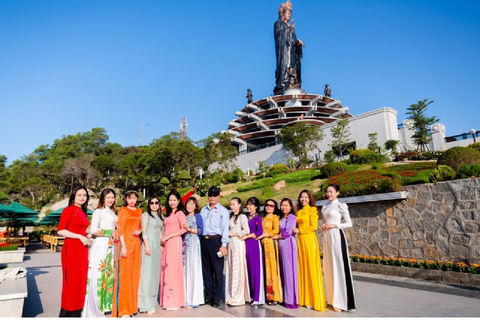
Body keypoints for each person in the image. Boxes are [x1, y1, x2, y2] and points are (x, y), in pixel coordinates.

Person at [83, 188, 118, 317]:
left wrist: (115, 234)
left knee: (106, 275)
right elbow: (93, 230)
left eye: (112, 197)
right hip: (100, 244)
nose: (110, 199)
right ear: (102, 198)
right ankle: (93, 307)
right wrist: (111, 232)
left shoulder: (111, 211)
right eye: (108, 197)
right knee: (97, 274)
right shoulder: (98, 211)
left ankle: (102, 306)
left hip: (109, 246)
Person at [321, 184, 356, 312]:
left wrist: (334, 225)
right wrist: (324, 225)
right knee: (328, 266)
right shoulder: (325, 206)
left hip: (336, 236)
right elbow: (326, 220)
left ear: (337, 193)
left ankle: (341, 301)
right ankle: (331, 298)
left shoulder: (341, 205)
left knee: (338, 266)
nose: (328, 194)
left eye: (331, 192)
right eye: (327, 192)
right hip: (327, 237)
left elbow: (349, 223)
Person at [58, 186, 90, 317]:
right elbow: (60, 230)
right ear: (73, 197)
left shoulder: (81, 211)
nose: (82, 197)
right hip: (72, 249)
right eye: (79, 195)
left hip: (81, 249)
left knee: (80, 281)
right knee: (72, 282)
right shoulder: (69, 210)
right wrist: (79, 236)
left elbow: (81, 230)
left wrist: (89, 236)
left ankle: (76, 312)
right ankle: (68, 313)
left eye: (84, 195)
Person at [112, 189, 142, 318]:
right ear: (126, 198)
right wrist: (123, 246)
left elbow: (142, 226)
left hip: (136, 246)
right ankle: (123, 309)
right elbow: (121, 229)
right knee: (124, 276)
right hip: (125, 245)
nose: (132, 200)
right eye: (130, 198)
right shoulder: (123, 211)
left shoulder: (140, 211)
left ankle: (133, 307)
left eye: (134, 198)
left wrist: (140, 231)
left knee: (134, 276)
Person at [200, 186, 230, 308]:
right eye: (210, 195)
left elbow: (225, 229)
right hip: (204, 241)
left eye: (215, 195)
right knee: (206, 270)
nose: (212, 197)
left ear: (219, 196)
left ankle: (217, 297)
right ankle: (208, 295)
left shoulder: (223, 211)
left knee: (217, 271)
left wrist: (224, 245)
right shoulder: (203, 210)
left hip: (216, 241)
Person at [296, 189, 326, 311]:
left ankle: (314, 299)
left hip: (308, 239)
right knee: (302, 268)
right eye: (301, 197)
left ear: (310, 199)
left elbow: (313, 226)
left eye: (306, 197)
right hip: (300, 241)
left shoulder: (312, 210)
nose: (303, 199)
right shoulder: (298, 211)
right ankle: (305, 299)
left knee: (311, 268)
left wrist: (300, 230)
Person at [160, 190, 187, 311]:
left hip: (175, 242)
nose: (172, 202)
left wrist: (170, 236)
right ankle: (166, 299)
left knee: (172, 269)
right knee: (165, 268)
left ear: (179, 201)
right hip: (166, 243)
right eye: (170, 200)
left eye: (174, 200)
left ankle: (174, 300)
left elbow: (184, 229)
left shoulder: (180, 213)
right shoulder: (169, 214)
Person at [138, 196, 164, 314]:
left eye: (156, 202)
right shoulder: (146, 215)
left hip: (156, 246)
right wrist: (147, 245)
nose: (154, 205)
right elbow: (144, 231)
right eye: (152, 202)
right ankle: (144, 304)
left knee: (154, 274)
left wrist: (160, 245)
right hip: (148, 245)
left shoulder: (160, 216)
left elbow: (161, 232)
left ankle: (152, 301)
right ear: (149, 204)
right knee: (147, 273)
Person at [273, 0, 304, 95]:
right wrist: (289, 30)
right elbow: (279, 35)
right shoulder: (278, 24)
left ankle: (293, 82)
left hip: (291, 54)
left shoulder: (291, 28)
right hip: (284, 52)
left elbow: (293, 42)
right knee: (284, 67)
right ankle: (283, 84)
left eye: (290, 13)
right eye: (287, 12)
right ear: (283, 13)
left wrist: (298, 44)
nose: (289, 15)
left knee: (293, 67)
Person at [272, 198, 299, 309]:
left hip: (288, 244)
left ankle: (291, 300)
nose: (284, 207)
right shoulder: (281, 218)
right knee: (283, 271)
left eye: (286, 205)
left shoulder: (291, 217)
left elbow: (287, 232)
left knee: (290, 272)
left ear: (291, 206)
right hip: (282, 245)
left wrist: (276, 236)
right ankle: (285, 297)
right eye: (282, 205)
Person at [225, 197, 250, 306]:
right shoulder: (230, 217)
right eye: (230, 204)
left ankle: (238, 296)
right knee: (231, 269)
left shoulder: (242, 217)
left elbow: (246, 230)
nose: (232, 206)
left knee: (237, 269)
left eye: (234, 204)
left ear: (239, 205)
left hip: (238, 243)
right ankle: (231, 294)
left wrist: (234, 234)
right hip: (231, 244)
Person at [257, 199, 283, 305]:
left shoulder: (274, 217)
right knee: (265, 269)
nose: (268, 207)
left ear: (274, 208)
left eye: (271, 205)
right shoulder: (262, 218)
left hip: (270, 244)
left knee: (272, 269)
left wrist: (265, 234)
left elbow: (276, 230)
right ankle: (267, 295)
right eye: (267, 205)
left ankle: (275, 296)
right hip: (262, 245)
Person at [241, 197, 265, 306]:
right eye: (248, 204)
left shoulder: (257, 218)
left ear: (256, 206)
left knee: (255, 270)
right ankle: (250, 295)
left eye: (251, 205)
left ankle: (257, 297)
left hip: (254, 244)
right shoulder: (245, 217)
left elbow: (259, 231)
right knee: (248, 270)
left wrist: (247, 236)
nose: (249, 207)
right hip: (245, 245)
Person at [182, 197, 205, 308]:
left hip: (194, 241)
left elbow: (201, 230)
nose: (189, 206)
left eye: (192, 204)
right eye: (188, 204)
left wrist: (189, 229)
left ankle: (194, 298)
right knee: (185, 269)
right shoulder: (184, 217)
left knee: (193, 268)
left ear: (196, 206)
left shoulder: (198, 217)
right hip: (185, 244)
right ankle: (185, 297)